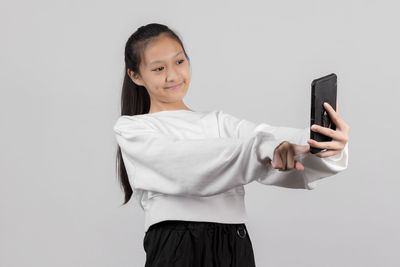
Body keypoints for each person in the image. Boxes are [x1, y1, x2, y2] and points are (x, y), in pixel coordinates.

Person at [113, 23, 350, 267]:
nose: (173, 75)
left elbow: (267, 136)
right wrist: (266, 148)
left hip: (234, 245)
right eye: (159, 68)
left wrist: (323, 145)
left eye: (180, 62)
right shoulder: (133, 129)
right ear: (136, 75)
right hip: (178, 246)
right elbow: (187, 165)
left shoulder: (218, 122)